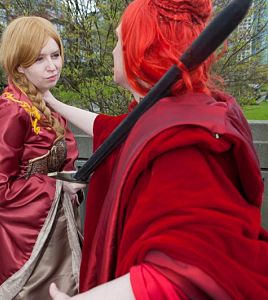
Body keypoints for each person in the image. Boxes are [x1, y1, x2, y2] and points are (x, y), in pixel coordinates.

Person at [45, 0, 268, 299]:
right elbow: (112, 130)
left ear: (139, 49)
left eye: (118, 40)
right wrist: (55, 103)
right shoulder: (163, 114)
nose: (112, 50)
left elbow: (185, 270)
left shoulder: (186, 141)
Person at [0, 16, 85, 300]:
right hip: (25, 236)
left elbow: (65, 157)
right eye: (39, 59)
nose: (52, 66)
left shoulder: (44, 101)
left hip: (57, 227)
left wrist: (68, 181)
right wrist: (59, 186)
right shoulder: (12, 112)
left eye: (55, 55)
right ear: (20, 64)